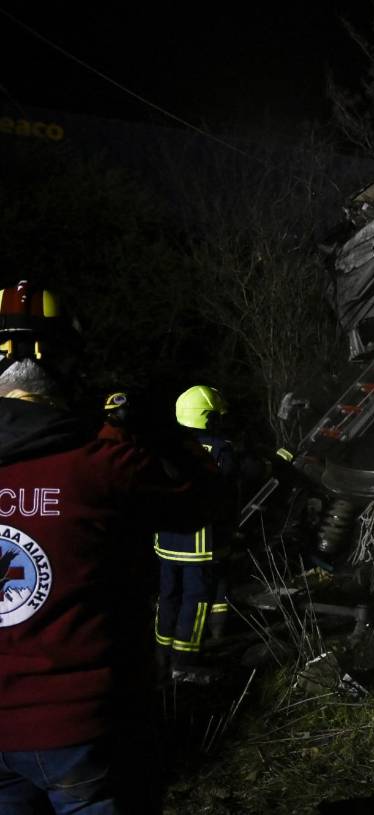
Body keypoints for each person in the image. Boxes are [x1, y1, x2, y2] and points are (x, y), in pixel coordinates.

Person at [0, 281, 223, 813]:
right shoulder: (105, 460)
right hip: (85, 725)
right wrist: (163, 435)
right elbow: (206, 499)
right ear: (67, 362)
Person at [154, 385, 238, 683]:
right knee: (197, 599)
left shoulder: (165, 446)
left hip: (166, 540)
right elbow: (230, 487)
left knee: (168, 595)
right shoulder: (219, 450)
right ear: (208, 418)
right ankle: (185, 662)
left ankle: (162, 656)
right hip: (199, 542)